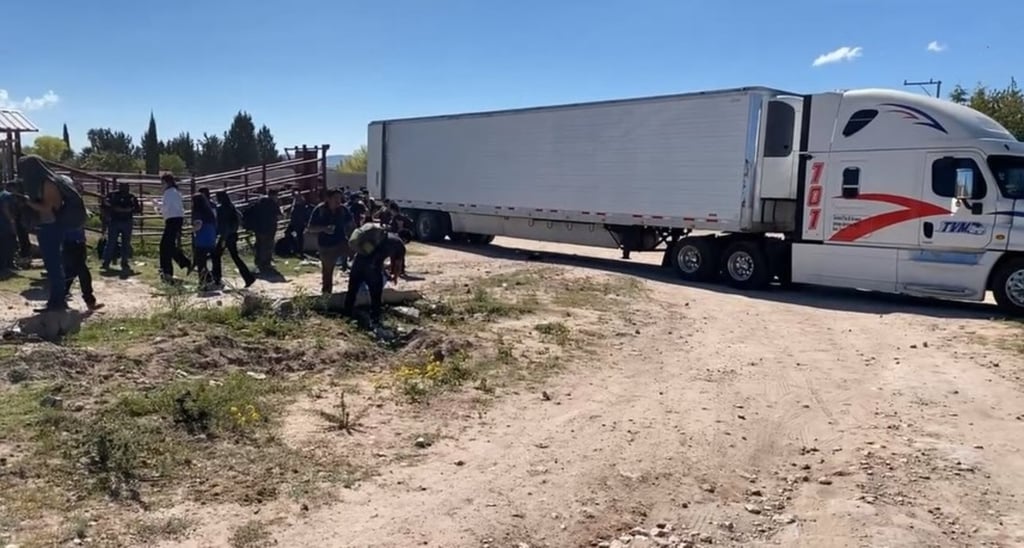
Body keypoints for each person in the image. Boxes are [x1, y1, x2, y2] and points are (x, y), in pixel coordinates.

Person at [17, 156, 88, 312]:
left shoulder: (48, 183)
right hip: (45, 227)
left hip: (52, 227)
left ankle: (57, 301)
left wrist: (27, 202)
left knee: (54, 266)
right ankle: (56, 301)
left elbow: (50, 209)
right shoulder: (41, 183)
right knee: (52, 266)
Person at [343, 223, 406, 325]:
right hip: (372, 269)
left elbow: (374, 254)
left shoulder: (380, 236)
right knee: (376, 295)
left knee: (352, 291)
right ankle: (375, 320)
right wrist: (395, 277)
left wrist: (384, 270)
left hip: (358, 264)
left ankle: (346, 315)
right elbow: (397, 264)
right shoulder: (399, 245)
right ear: (405, 240)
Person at [306, 189, 354, 295]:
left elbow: (351, 224)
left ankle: (357, 287)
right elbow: (310, 228)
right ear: (328, 199)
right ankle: (326, 294)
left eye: (340, 198)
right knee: (327, 272)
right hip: (326, 245)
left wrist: (353, 237)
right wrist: (324, 229)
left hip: (341, 242)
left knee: (358, 257)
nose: (338, 201)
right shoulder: (320, 210)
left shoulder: (343, 210)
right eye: (335, 198)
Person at [213, 191, 256, 288]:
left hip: (226, 236)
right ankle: (248, 277)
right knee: (235, 256)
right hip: (233, 234)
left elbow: (223, 225)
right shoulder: (231, 206)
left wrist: (223, 237)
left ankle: (217, 278)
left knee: (216, 256)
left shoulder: (221, 209)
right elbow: (239, 217)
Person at [157, 174, 192, 281]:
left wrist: (156, 205)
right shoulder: (176, 192)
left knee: (164, 246)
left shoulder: (168, 192)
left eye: (162, 183)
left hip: (172, 220)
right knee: (169, 245)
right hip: (177, 220)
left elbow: (165, 207)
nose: (161, 185)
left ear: (167, 182)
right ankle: (183, 262)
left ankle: (167, 271)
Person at [101, 181, 141, 272]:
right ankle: (106, 262)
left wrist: (128, 210)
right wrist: (113, 209)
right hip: (115, 221)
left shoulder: (131, 197)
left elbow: (137, 208)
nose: (125, 189)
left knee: (125, 243)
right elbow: (104, 204)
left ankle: (124, 262)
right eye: (123, 187)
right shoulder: (112, 195)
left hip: (126, 221)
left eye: (126, 187)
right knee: (111, 242)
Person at [62, 225, 102, 310]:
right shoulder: (65, 212)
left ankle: (60, 298)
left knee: (71, 272)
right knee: (82, 272)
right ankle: (89, 300)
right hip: (70, 243)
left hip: (78, 242)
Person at [245, 189, 280, 272]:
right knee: (267, 246)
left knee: (259, 244)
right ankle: (265, 264)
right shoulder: (272, 204)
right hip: (268, 229)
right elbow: (278, 215)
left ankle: (258, 262)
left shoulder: (259, 202)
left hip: (258, 228)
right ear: (274, 195)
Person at [191, 193, 219, 290]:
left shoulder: (197, 212)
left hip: (201, 240)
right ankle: (211, 278)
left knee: (201, 263)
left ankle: (203, 283)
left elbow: (198, 224)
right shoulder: (209, 212)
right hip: (211, 239)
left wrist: (192, 230)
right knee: (208, 260)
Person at [285, 192, 313, 257]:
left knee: (299, 237)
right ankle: (293, 249)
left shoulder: (302, 205)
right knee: (288, 234)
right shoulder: (295, 204)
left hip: (299, 223)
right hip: (294, 222)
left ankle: (300, 251)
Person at [0, 182, 18, 272]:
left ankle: (5, 265)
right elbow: (5, 208)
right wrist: (12, 222)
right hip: (5, 225)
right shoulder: (7, 195)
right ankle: (6, 266)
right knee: (8, 245)